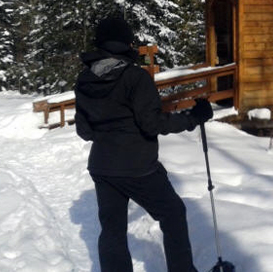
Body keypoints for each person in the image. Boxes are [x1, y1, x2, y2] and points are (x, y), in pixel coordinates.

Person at [74, 17, 212, 272]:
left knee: (112, 229)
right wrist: (194, 118)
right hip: (138, 167)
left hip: (102, 167)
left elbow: (84, 131)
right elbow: (152, 124)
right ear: (127, 44)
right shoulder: (135, 77)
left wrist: (108, 132)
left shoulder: (84, 79)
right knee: (172, 214)